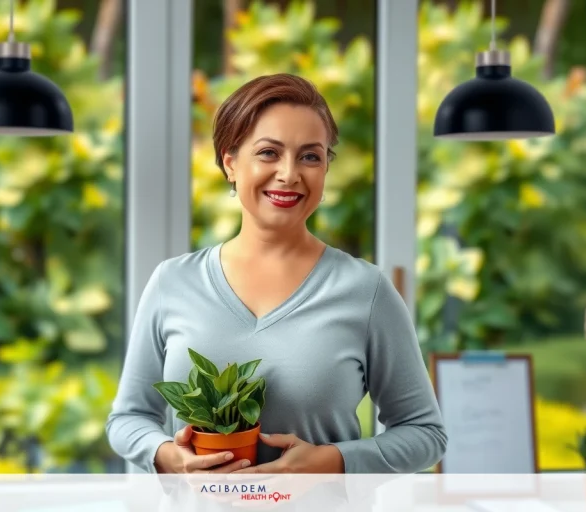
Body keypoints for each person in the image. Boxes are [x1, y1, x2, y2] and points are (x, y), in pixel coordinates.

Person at [106, 73, 447, 474]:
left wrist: (333, 461)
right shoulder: (172, 282)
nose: (289, 174)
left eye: (310, 156)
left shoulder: (366, 290)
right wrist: (167, 456)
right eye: (269, 153)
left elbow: (426, 433)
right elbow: (127, 419)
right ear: (230, 162)